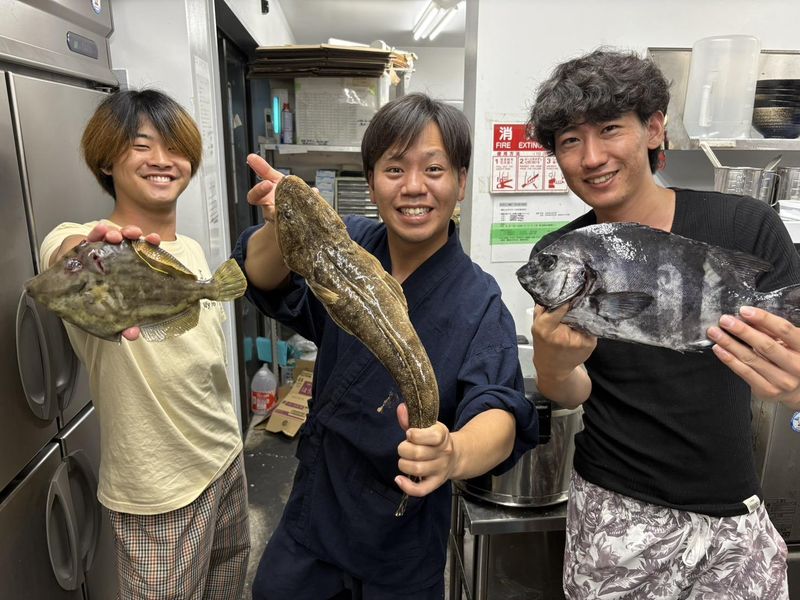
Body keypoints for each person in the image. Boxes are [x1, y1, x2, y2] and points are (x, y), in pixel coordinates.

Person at [233, 92, 538, 599]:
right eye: (394, 169)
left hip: (401, 539)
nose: (413, 186)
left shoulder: (478, 300)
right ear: (372, 182)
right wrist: (280, 225)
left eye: (434, 169)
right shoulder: (346, 243)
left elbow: (500, 411)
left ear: (461, 182)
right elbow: (264, 278)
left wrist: (453, 453)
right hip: (317, 514)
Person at [526, 48, 800, 599]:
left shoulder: (745, 225)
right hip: (613, 511)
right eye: (571, 140)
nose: (592, 157)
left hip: (733, 511)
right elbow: (572, 391)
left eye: (610, 129)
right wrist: (552, 366)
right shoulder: (562, 254)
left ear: (653, 128)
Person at [39, 89, 250, 599]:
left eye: (175, 147)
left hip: (225, 460)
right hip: (156, 492)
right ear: (106, 160)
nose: (161, 159)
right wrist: (90, 252)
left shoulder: (191, 250)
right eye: (141, 145)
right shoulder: (87, 246)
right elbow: (64, 254)